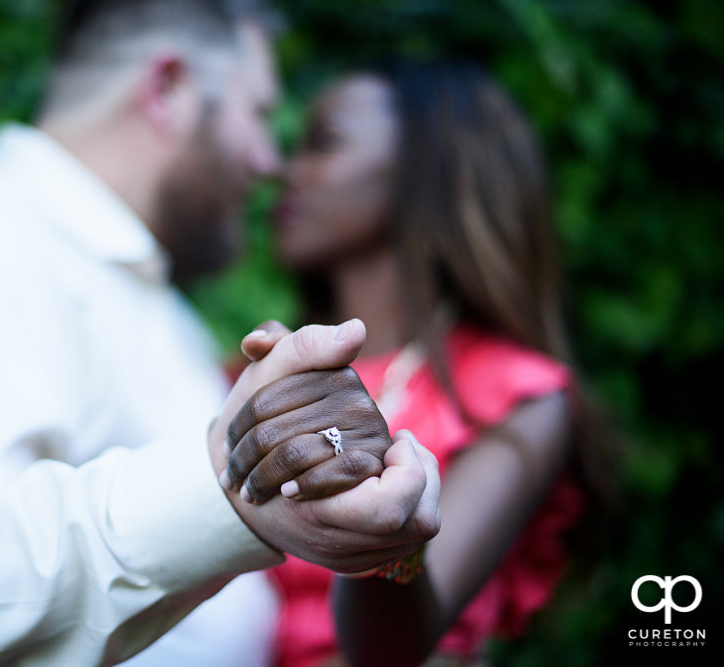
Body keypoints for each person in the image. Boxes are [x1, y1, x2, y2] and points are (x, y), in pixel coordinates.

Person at [0, 2, 442, 665]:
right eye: (257, 113)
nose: (269, 160)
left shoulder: (147, 305)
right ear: (166, 90)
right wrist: (222, 482)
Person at [223, 59, 616, 666]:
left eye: (323, 142)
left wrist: (386, 537)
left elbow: (397, 647)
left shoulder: (514, 393)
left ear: (424, 169)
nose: (282, 170)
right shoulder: (246, 378)